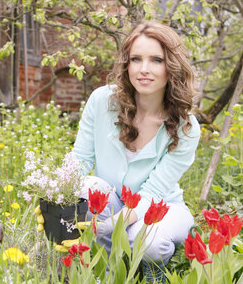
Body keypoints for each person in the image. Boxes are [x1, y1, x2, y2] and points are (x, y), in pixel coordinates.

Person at [72, 21, 201, 275]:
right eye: (135, 59)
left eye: (156, 60)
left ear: (172, 66)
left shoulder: (186, 127)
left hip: (159, 208)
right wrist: (53, 197)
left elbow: (153, 193)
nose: (144, 69)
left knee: (146, 241)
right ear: (126, 65)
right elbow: (80, 161)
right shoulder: (101, 102)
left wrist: (111, 226)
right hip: (112, 202)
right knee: (87, 186)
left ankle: (151, 276)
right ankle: (106, 273)